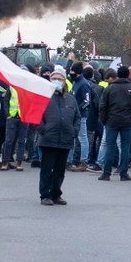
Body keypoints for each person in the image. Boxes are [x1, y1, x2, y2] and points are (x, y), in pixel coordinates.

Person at [35, 72, 78, 205]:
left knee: (60, 170)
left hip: (65, 139)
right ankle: (45, 195)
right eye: (54, 79)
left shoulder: (71, 99)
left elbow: (78, 117)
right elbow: (36, 116)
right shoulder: (44, 97)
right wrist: (43, 129)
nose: (57, 81)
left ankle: (56, 193)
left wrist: (74, 131)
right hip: (48, 139)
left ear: (64, 81)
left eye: (59, 79)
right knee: (47, 169)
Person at [98, 65, 131, 181]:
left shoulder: (109, 88)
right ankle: (123, 173)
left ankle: (106, 173)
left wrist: (104, 120)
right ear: (128, 74)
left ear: (117, 75)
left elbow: (102, 106)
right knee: (125, 147)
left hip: (111, 121)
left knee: (110, 147)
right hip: (128, 122)